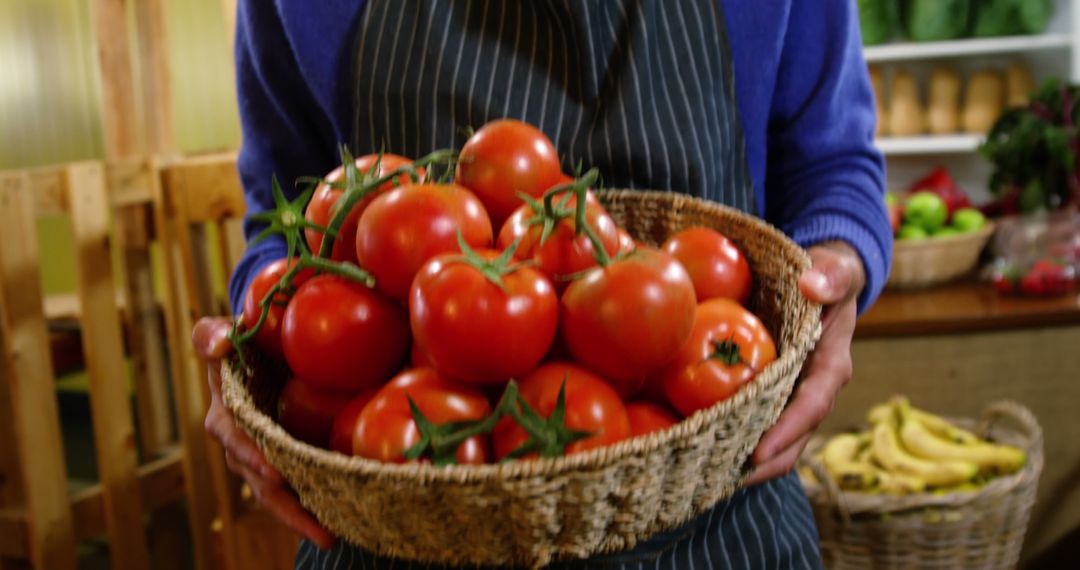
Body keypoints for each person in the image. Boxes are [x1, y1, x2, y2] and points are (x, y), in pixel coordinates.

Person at [193, 0, 892, 567]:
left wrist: (832, 272)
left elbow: (833, 166)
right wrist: (258, 338)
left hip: (723, 516)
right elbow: (289, 226)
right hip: (400, 518)